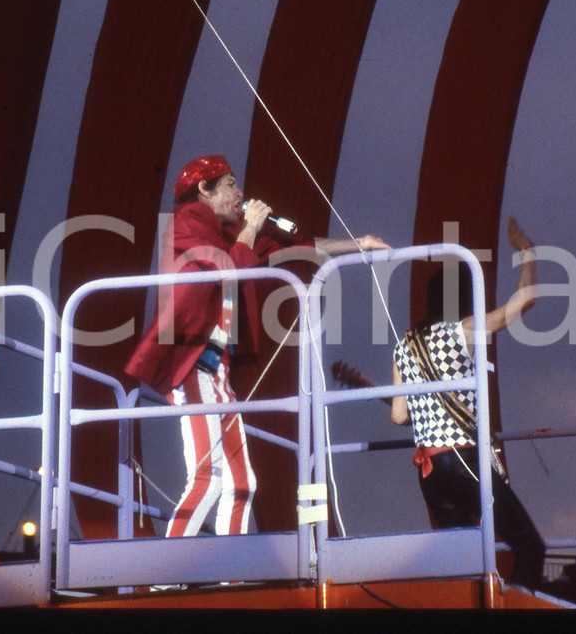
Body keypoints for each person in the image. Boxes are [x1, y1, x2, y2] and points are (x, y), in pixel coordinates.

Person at [125, 154, 388, 538]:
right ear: (204, 189)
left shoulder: (227, 234)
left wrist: (359, 244)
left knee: (242, 483)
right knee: (208, 478)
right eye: (231, 184)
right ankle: (171, 571)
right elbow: (226, 270)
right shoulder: (188, 222)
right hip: (194, 364)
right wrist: (249, 229)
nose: (240, 193)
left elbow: (300, 247)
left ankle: (232, 574)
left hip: (217, 372)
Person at [389, 216, 546, 590]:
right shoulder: (463, 331)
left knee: (465, 563)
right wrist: (528, 251)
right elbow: (526, 300)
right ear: (465, 298)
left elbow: (398, 415)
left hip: (428, 471)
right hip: (461, 459)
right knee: (529, 546)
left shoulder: (404, 344)